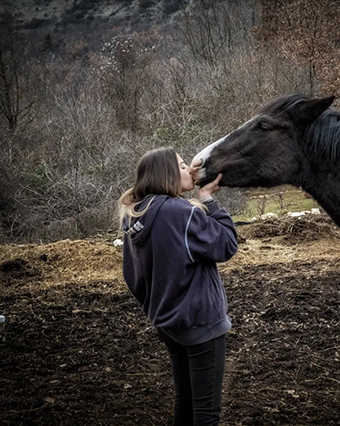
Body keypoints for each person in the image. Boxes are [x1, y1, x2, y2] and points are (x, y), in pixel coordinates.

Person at [118, 147, 238, 426]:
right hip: (200, 324)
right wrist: (208, 200)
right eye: (183, 165)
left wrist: (157, 306)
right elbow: (227, 244)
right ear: (167, 174)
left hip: (168, 325)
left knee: (184, 407)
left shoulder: (135, 215)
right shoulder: (179, 213)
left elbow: (132, 276)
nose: (189, 169)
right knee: (206, 414)